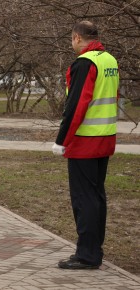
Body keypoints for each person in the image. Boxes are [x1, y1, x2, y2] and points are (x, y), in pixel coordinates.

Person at [53, 21, 119, 270]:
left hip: (84, 142)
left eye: (72, 39)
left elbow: (76, 105)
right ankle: (93, 250)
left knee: (84, 199)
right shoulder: (109, 60)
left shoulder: (84, 63)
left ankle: (87, 255)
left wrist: (62, 140)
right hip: (105, 138)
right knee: (97, 196)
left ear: (77, 38)